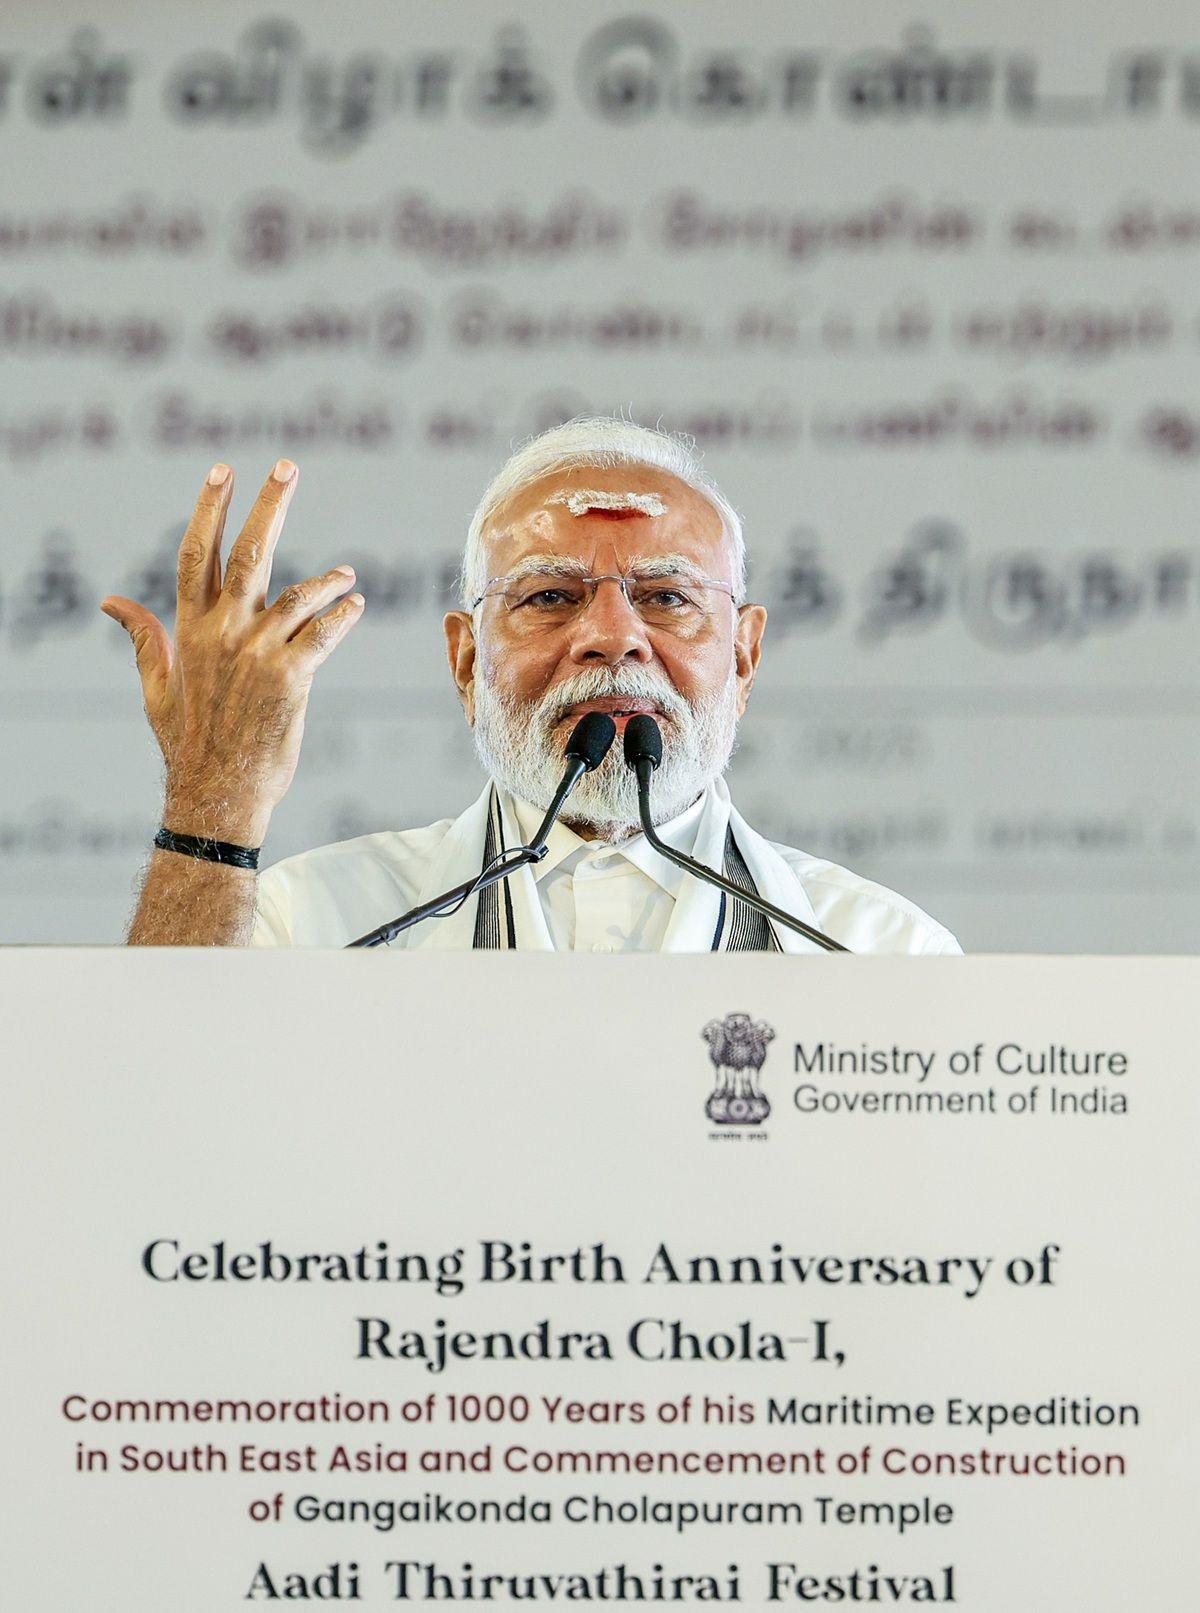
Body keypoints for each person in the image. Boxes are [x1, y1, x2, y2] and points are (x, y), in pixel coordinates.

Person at [102, 417, 961, 953]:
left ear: (743, 657)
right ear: (466, 662)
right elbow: (159, 1123)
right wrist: (213, 797)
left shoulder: (878, 958)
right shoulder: (319, 928)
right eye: (550, 596)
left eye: (667, 597)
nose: (614, 636)